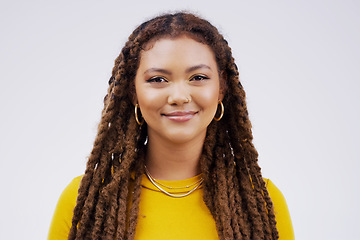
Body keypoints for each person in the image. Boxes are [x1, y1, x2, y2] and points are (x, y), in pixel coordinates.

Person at [48, 12, 294, 240]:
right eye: (158, 79)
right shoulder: (85, 202)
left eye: (198, 78)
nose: (179, 96)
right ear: (133, 93)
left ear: (221, 89)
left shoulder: (262, 202)